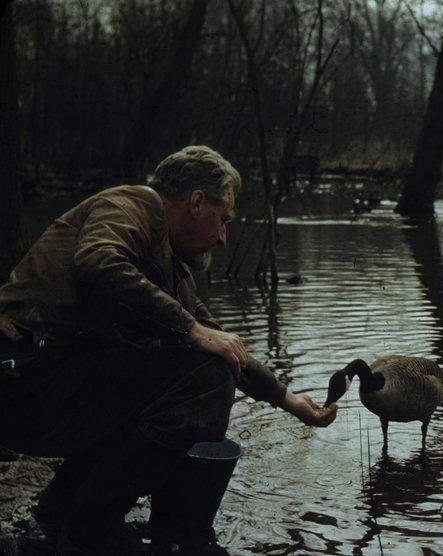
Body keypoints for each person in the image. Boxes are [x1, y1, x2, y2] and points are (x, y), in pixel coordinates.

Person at [0, 145, 338, 556]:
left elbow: (224, 349)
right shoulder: (131, 205)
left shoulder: (170, 268)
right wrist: (189, 329)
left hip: (54, 386)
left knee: (202, 372)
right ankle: (91, 527)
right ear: (197, 202)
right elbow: (99, 265)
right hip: (22, 383)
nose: (223, 236)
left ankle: (63, 512)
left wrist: (291, 401)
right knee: (204, 383)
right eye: (223, 219)